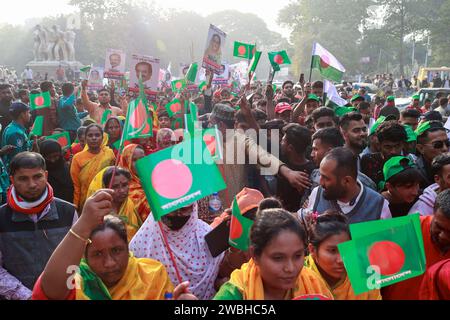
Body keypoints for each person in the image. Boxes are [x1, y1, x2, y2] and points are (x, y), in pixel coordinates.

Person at [32, 190, 176, 300]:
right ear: (85, 257)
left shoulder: (152, 275)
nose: (109, 263)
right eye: (98, 254)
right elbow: (49, 290)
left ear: (128, 248)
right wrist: (84, 223)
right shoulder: (78, 280)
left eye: (117, 250)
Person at [0, 152, 77, 299]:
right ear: (12, 180)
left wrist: (69, 291)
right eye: (23, 179)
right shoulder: (2, 217)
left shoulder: (68, 212)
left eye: (37, 177)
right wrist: (27, 295)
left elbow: (77, 260)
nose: (32, 184)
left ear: (46, 176)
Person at [214, 208, 333, 300]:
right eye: (278, 258)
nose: (290, 268)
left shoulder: (314, 285)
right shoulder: (235, 294)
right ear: (255, 255)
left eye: (297, 256)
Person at [130, 201, 223, 300]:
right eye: (171, 208)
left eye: (183, 209)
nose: (177, 213)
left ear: (193, 207)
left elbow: (220, 275)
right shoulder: (140, 243)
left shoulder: (206, 235)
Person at [382, 189, 450, 300]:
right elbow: (356, 273)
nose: (443, 236)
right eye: (439, 227)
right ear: (433, 212)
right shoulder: (403, 230)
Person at [303, 210, 381, 300]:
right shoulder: (299, 277)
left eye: (346, 250)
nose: (341, 260)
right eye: (332, 250)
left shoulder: (365, 274)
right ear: (312, 250)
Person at [302, 147, 391, 223]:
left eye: (326, 178)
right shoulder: (317, 193)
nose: (321, 182)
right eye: (320, 175)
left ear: (347, 181)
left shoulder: (378, 205)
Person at [309, 128, 376, 191]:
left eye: (315, 149)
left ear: (330, 151)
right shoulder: (314, 175)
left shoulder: (363, 183)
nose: (311, 154)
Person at [86, 167, 142, 242]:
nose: (122, 190)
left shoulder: (129, 205)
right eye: (115, 187)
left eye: (125, 185)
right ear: (105, 187)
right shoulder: (98, 211)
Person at [70, 124, 115, 211]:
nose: (94, 138)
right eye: (90, 135)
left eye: (97, 135)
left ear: (102, 138)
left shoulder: (109, 154)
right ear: (85, 138)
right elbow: (76, 186)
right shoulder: (77, 158)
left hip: (106, 198)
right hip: (86, 200)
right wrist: (76, 206)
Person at [277, 124, 315, 212]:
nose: (280, 143)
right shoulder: (281, 159)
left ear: (290, 148)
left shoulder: (311, 171)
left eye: (283, 141)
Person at [360, 121, 408, 188]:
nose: (393, 151)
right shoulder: (369, 160)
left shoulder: (408, 162)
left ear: (403, 144)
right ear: (379, 145)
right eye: (388, 147)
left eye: (397, 146)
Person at [118, 144, 150, 222]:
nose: (139, 163)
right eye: (134, 160)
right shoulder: (122, 186)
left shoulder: (152, 177)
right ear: (126, 162)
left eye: (142, 158)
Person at [415, 121, 449, 187]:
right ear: (421, 148)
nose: (445, 148)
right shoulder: (415, 174)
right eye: (438, 145)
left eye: (447, 143)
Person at [1, 102, 33, 169]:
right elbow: (18, 159)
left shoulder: (12, 127)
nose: (30, 115)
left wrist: (36, 141)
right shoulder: (15, 133)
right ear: (22, 115)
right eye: (28, 112)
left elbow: (25, 145)